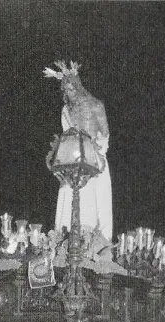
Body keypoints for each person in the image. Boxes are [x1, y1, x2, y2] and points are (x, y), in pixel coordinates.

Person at [44, 60, 113, 241]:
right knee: (68, 201)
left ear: (78, 85)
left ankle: (94, 244)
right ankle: (64, 241)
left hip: (95, 161)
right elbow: (67, 136)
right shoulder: (66, 110)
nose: (69, 93)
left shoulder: (96, 105)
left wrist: (95, 153)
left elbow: (105, 134)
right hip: (72, 161)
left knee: (95, 204)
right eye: (65, 90)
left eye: (72, 88)